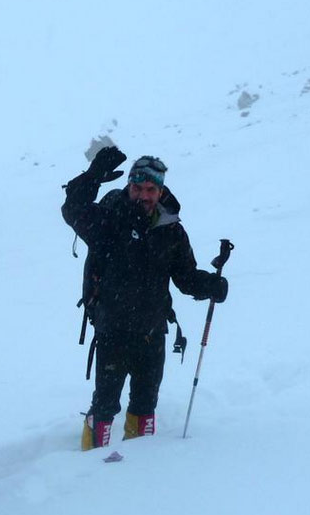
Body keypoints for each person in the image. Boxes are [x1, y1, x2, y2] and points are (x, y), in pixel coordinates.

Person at [61, 147, 229, 450]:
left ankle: (138, 468)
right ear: (129, 186)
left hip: (153, 330)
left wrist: (211, 285)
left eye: (150, 189)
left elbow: (185, 277)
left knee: (145, 405)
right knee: (105, 406)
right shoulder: (108, 221)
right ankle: (88, 467)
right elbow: (73, 210)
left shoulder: (172, 231)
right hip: (112, 328)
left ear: (160, 190)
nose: (143, 195)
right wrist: (93, 176)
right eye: (137, 188)